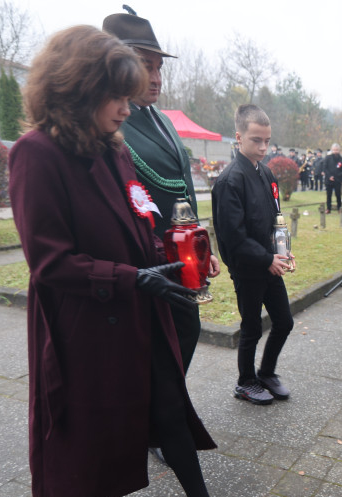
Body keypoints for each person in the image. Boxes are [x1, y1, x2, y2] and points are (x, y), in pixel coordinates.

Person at [8, 25, 242, 497]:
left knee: (168, 403)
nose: (126, 108)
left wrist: (182, 257)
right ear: (77, 91)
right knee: (86, 414)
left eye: (127, 96)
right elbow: (49, 262)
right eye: (115, 96)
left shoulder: (113, 149)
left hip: (138, 303)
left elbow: (140, 219)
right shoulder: (36, 154)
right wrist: (133, 277)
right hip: (83, 318)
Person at [103, 10, 221, 380]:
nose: (155, 78)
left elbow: (184, 188)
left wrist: (203, 247)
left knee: (185, 331)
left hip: (181, 254)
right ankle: (156, 422)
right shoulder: (112, 123)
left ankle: (165, 414)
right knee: (158, 341)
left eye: (158, 68)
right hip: (147, 257)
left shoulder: (163, 120)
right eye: (145, 67)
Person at [212, 104, 295, 406]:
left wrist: (284, 252)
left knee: (284, 321)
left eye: (267, 141)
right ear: (238, 137)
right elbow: (233, 238)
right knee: (251, 327)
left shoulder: (267, 173)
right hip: (249, 268)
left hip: (270, 264)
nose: (263, 147)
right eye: (256, 140)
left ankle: (267, 373)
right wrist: (266, 259)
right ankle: (245, 382)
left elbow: (276, 218)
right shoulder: (230, 180)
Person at [324, 143, 342, 213]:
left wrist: (339, 177)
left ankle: (339, 208)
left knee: (338, 194)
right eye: (334, 150)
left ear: (339, 150)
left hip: (337, 180)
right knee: (328, 195)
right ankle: (328, 208)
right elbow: (325, 168)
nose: (335, 152)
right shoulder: (327, 158)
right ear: (332, 150)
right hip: (329, 180)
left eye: (337, 150)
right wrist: (329, 176)